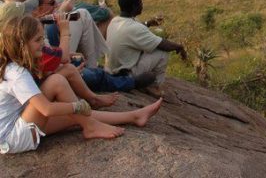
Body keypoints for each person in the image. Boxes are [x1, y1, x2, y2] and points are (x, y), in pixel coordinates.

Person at [0, 15, 162, 154]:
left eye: (43, 38)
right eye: (38, 40)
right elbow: (46, 109)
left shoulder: (15, 62)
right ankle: (91, 126)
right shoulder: (16, 73)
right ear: (21, 45)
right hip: (13, 137)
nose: (43, 43)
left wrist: (76, 109)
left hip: (15, 127)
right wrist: (76, 106)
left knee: (74, 117)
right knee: (58, 84)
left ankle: (134, 116)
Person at [106, 0, 187, 96]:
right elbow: (163, 44)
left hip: (111, 70)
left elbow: (134, 27)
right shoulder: (135, 28)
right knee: (162, 53)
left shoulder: (115, 21)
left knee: (146, 47)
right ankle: (154, 86)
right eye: (140, 2)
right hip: (125, 74)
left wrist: (148, 23)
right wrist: (180, 47)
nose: (142, 4)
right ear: (134, 6)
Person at [32, 0, 108, 69]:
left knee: (83, 13)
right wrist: (64, 31)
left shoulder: (37, 22)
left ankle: (93, 66)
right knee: (83, 14)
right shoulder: (33, 27)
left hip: (58, 66)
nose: (56, 4)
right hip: (59, 72)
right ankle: (94, 68)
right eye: (52, 2)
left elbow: (49, 51)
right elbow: (62, 59)